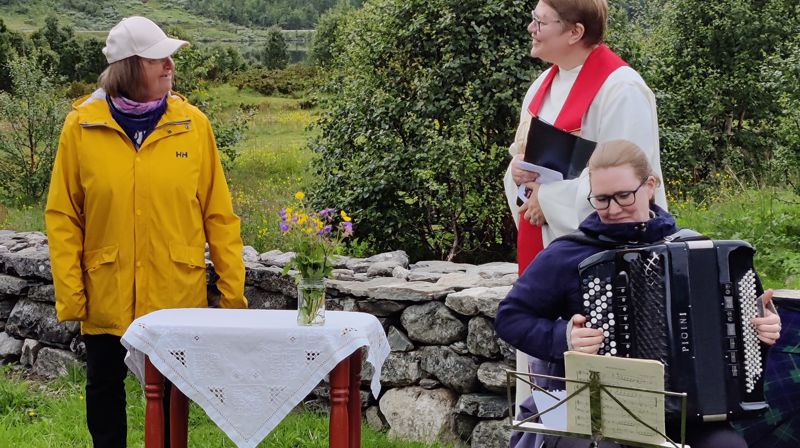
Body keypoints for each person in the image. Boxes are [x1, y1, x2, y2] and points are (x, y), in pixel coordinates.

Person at [495, 140, 781, 448]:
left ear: (650, 186)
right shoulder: (567, 254)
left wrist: (761, 330)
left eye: (623, 195)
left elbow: (739, 332)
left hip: (682, 412)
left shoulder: (696, 249)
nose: (613, 209)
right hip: (587, 409)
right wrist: (564, 337)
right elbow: (510, 317)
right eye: (602, 200)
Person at [45, 16, 247, 447]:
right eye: (159, 58)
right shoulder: (80, 127)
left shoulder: (194, 125)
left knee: (173, 395)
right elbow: (63, 216)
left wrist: (232, 295)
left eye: (170, 57)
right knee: (103, 389)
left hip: (175, 290)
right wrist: (71, 291)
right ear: (129, 67)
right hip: (107, 287)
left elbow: (219, 216)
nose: (170, 66)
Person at [503, 0, 668, 274]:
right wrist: (517, 172)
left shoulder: (621, 89)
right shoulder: (539, 87)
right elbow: (523, 157)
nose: (531, 28)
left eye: (540, 22)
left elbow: (628, 181)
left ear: (574, 33)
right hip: (544, 241)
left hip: (607, 254)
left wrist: (549, 201)